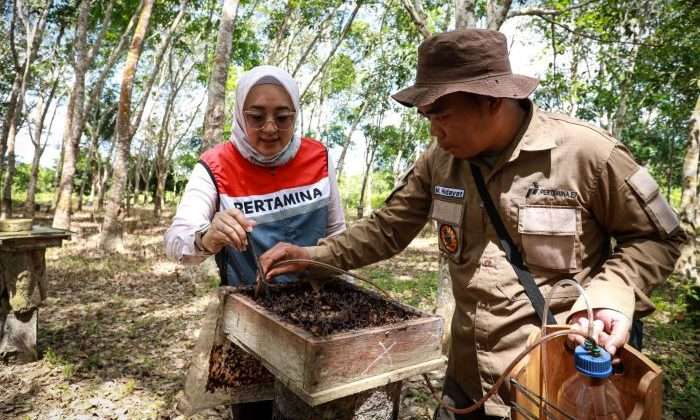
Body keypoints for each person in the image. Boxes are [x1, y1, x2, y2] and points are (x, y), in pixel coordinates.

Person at [259, 30, 685, 419]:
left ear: (491, 100)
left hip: (554, 384)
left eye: (441, 113)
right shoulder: (439, 161)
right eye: (426, 116)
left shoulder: (587, 154)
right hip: (465, 382)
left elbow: (657, 237)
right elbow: (388, 228)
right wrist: (315, 256)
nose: (433, 129)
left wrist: (609, 296)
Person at [165, 65, 345, 418]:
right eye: (256, 116)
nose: (269, 129)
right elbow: (176, 241)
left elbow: (339, 233)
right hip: (250, 324)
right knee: (254, 412)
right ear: (239, 114)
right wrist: (207, 236)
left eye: (283, 117)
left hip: (317, 314)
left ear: (295, 114)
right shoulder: (215, 166)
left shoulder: (318, 157)